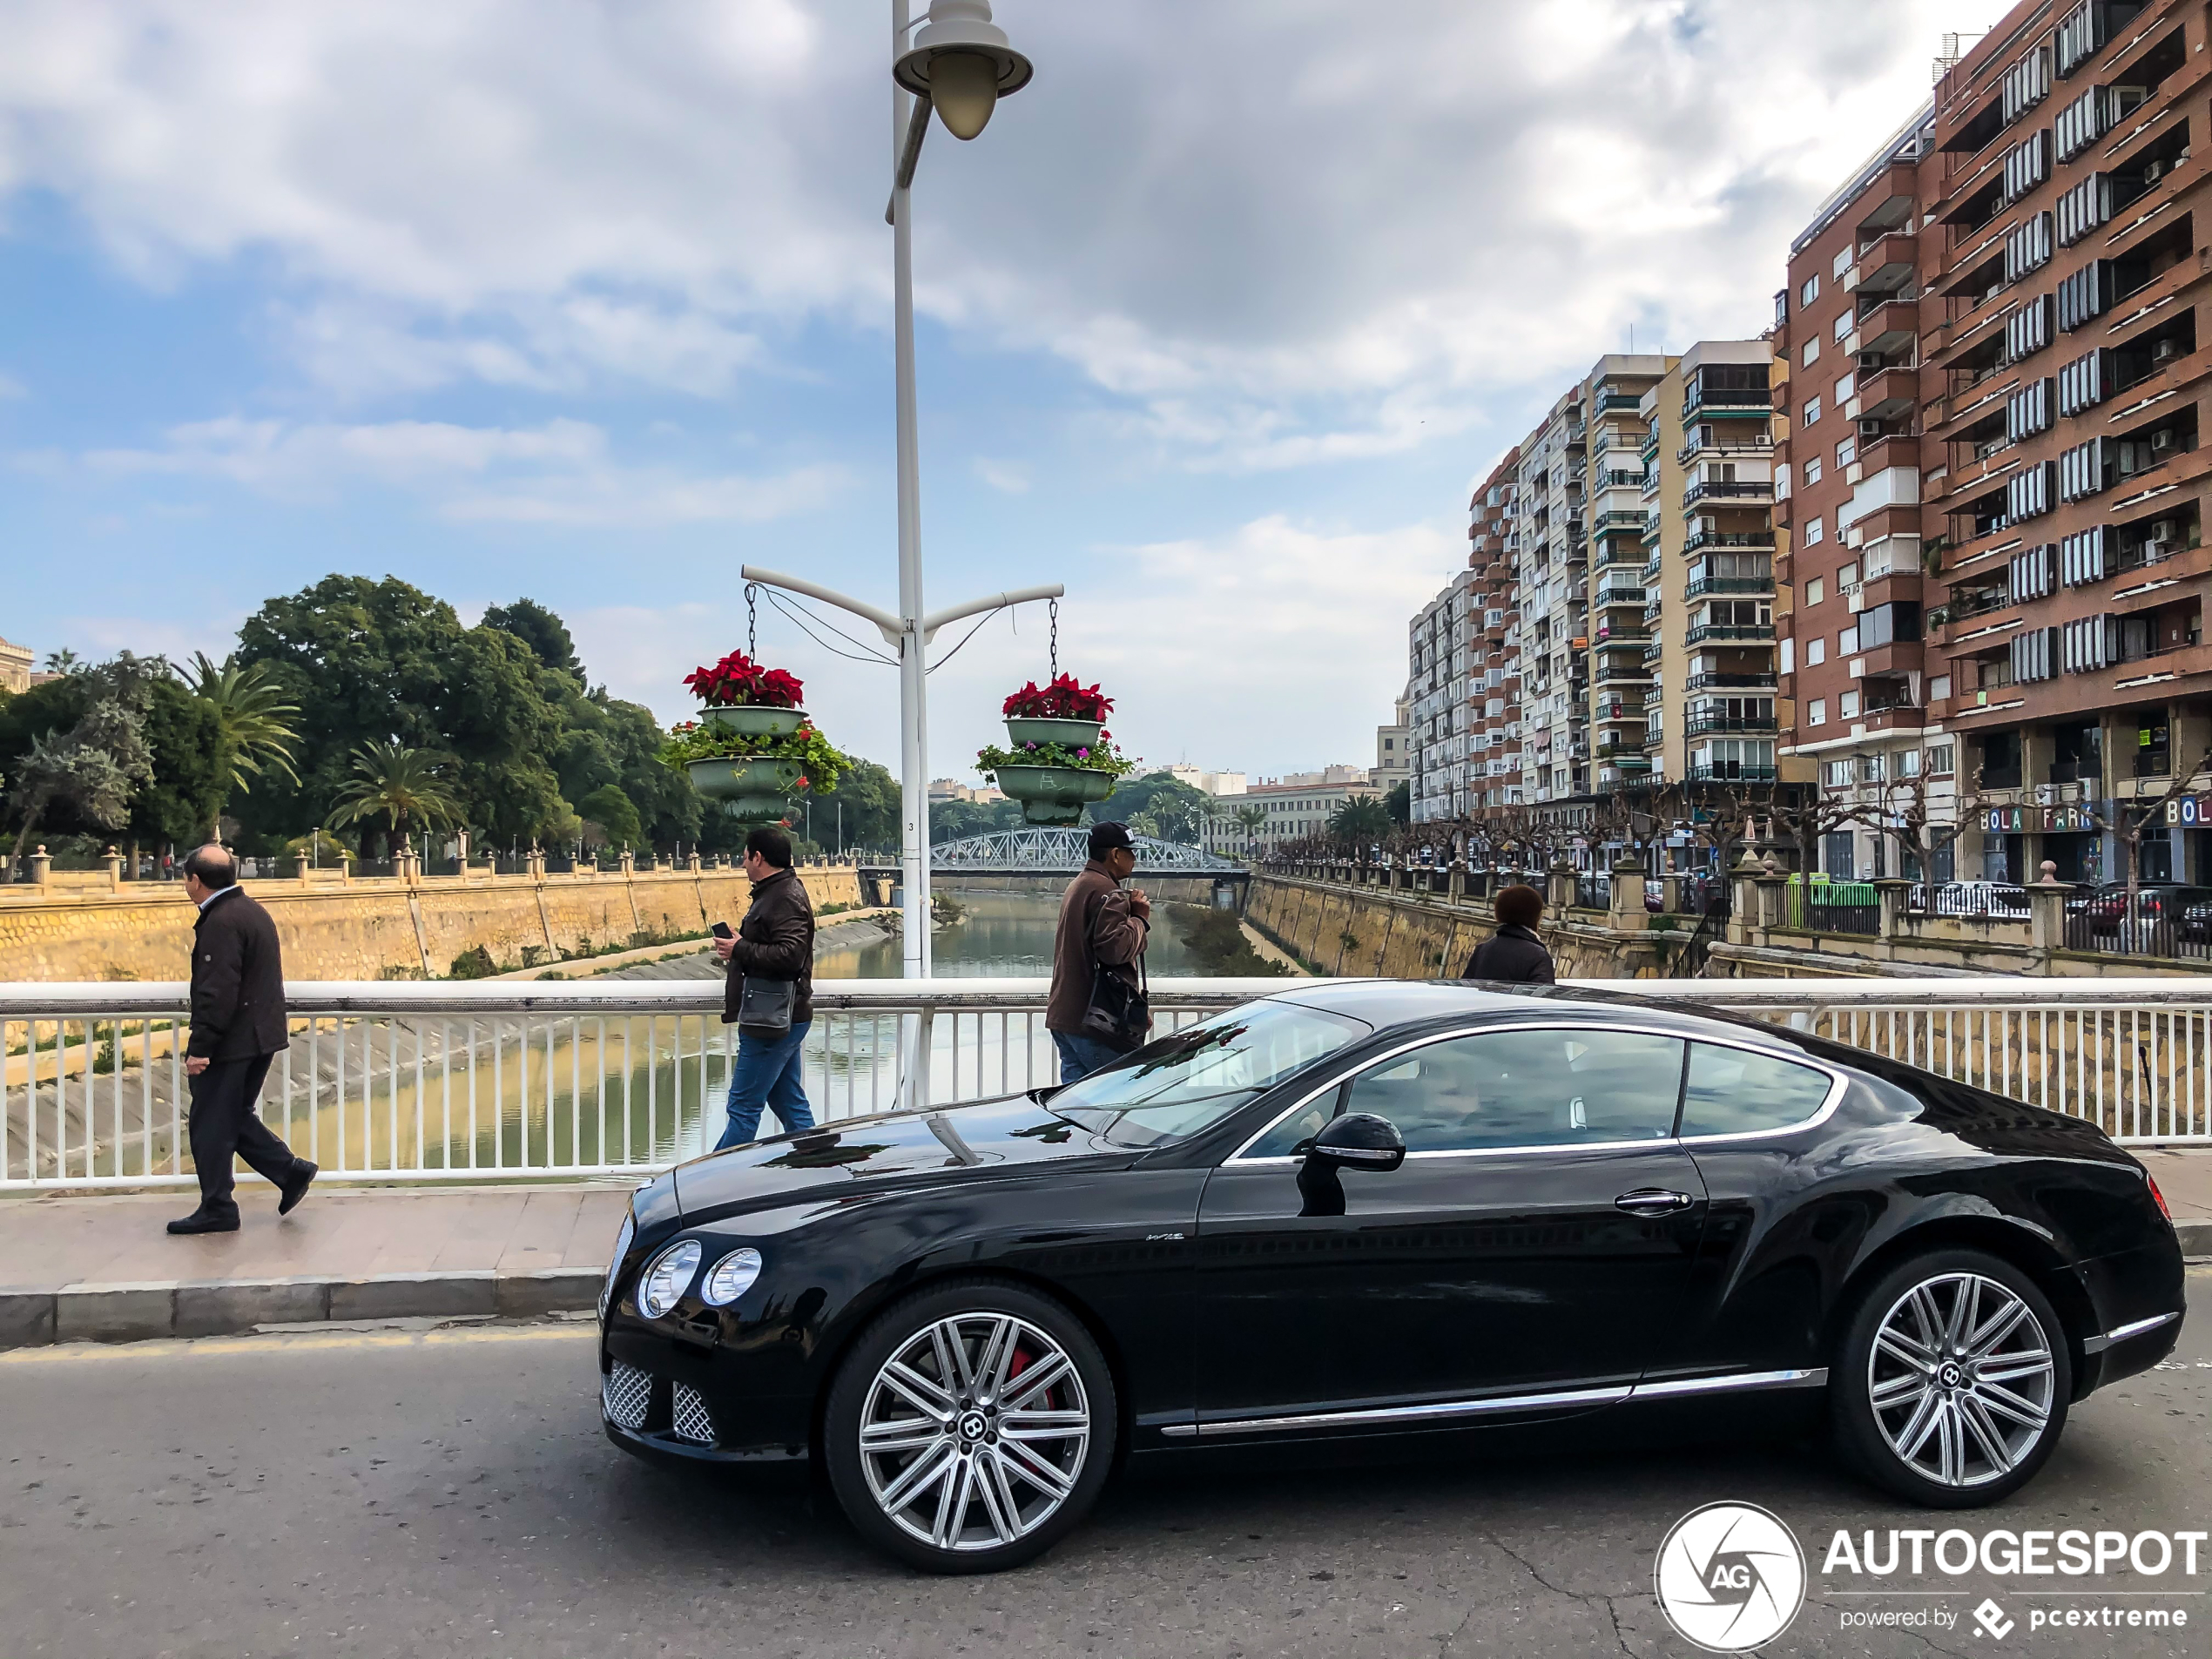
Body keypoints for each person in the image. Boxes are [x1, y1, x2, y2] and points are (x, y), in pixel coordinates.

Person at [170, 844, 315, 1234]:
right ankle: (289, 1172)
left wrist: (200, 1048)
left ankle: (218, 1206)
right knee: (229, 1117)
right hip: (260, 1036)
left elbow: (217, 993)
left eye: (184, 878)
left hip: (232, 1042)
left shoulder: (220, 921)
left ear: (195, 881)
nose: (184, 884)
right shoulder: (251, 911)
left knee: (209, 1123)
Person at [712, 825, 818, 1150]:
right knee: (790, 1104)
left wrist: (740, 949)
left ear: (758, 857)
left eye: (744, 857)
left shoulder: (784, 897)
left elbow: (790, 954)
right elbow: (781, 945)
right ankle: (825, 1168)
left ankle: (708, 1189)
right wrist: (743, 942)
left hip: (772, 1019)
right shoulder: (778, 891)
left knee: (743, 1108)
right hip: (779, 1015)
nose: (742, 864)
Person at [1045, 821, 1151, 1085]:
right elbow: (1115, 951)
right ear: (1115, 854)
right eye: (1131, 852)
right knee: (1115, 1100)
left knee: (1074, 1108)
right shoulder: (1109, 892)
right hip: (1096, 1023)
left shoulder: (1080, 884)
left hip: (1066, 1015)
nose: (1135, 859)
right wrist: (1140, 919)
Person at [1460, 883, 1556, 984]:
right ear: (1536, 916)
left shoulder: (1482, 950)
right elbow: (1543, 996)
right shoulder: (1538, 956)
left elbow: (1466, 991)